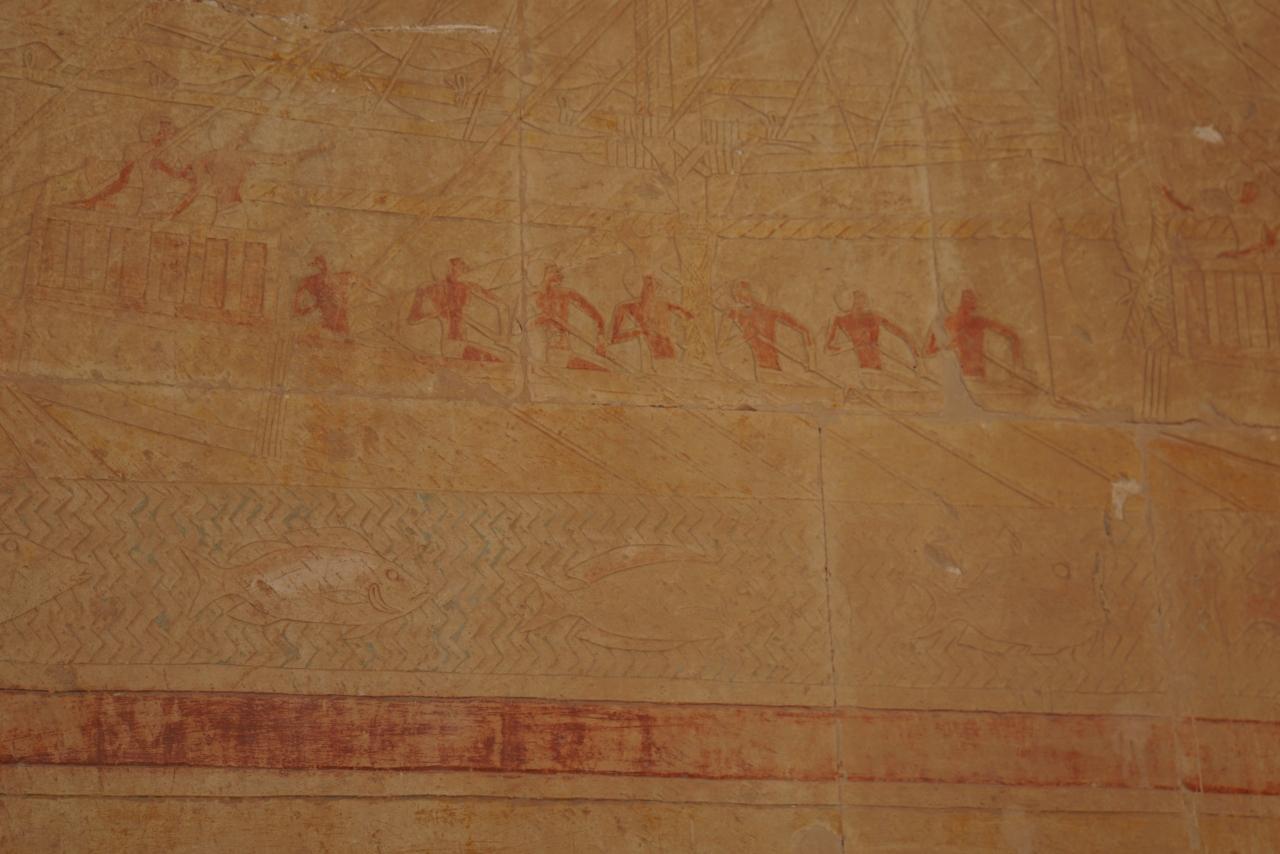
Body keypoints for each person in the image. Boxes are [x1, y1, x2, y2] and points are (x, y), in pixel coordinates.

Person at [71, 112, 198, 218]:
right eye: (161, 129)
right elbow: (122, 182)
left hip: (175, 209)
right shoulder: (137, 150)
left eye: (168, 129)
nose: (166, 133)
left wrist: (176, 211)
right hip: (149, 208)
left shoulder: (180, 153)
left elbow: (193, 183)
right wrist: (93, 200)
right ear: (151, 130)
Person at [407, 257, 506, 362]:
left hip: (461, 343)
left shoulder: (467, 286)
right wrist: (436, 313)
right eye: (460, 265)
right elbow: (412, 319)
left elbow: (501, 305)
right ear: (450, 267)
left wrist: (502, 333)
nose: (464, 267)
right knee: (499, 359)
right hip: (453, 345)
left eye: (464, 265)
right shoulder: (433, 288)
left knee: (502, 358)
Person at [925, 289, 1022, 379]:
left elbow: (1013, 335)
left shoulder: (979, 322)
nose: (969, 313)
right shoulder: (948, 322)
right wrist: (945, 347)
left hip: (977, 375)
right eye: (965, 308)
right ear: (959, 306)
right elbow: (929, 351)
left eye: (972, 308)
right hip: (958, 375)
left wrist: (1017, 363)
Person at [720, 280, 813, 372]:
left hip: (772, 368)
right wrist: (743, 337)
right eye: (737, 295)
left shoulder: (771, 312)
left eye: (743, 293)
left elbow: (805, 330)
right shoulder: (733, 314)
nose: (739, 299)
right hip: (749, 369)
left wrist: (811, 361)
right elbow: (720, 348)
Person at [534, 264, 608, 371]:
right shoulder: (532, 298)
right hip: (542, 354)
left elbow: (596, 316)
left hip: (561, 352)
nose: (560, 276)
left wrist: (601, 338)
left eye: (558, 273)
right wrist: (541, 319)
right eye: (553, 272)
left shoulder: (566, 294)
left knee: (603, 371)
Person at [608, 274, 693, 365]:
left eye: (654, 284)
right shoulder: (626, 308)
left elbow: (690, 317)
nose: (652, 288)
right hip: (649, 355)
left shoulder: (664, 304)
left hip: (670, 354)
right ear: (639, 287)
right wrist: (639, 332)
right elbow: (614, 338)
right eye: (648, 285)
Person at [825, 290, 917, 370]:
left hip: (875, 368)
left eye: (863, 302)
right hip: (857, 370)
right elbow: (828, 349)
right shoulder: (840, 320)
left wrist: (916, 357)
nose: (862, 305)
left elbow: (902, 334)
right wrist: (853, 344)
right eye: (857, 302)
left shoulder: (874, 317)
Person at [293, 251, 356, 336]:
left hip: (336, 322)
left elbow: (353, 279)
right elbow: (297, 308)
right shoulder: (310, 281)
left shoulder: (337, 279)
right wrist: (311, 308)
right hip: (326, 322)